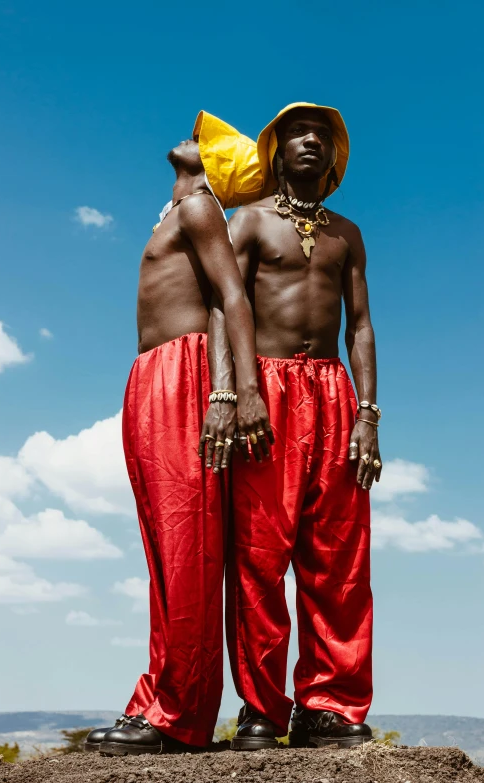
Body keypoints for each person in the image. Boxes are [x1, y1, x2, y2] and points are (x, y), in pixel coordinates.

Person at [85, 112, 273, 756]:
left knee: (189, 544)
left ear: (217, 167)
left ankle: (180, 714)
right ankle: (166, 698)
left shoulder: (199, 208)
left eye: (206, 139)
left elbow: (231, 297)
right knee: (168, 548)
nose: (191, 135)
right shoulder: (175, 213)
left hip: (187, 373)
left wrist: (228, 392)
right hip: (152, 373)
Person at [207, 103, 381, 750]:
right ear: (275, 151)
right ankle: (262, 707)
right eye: (296, 133)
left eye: (322, 134)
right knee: (258, 553)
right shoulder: (247, 221)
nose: (309, 141)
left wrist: (368, 414)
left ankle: (328, 704)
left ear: (334, 156)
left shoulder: (347, 233)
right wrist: (233, 390)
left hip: (334, 392)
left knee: (339, 557)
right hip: (266, 390)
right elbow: (225, 309)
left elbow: (360, 325)